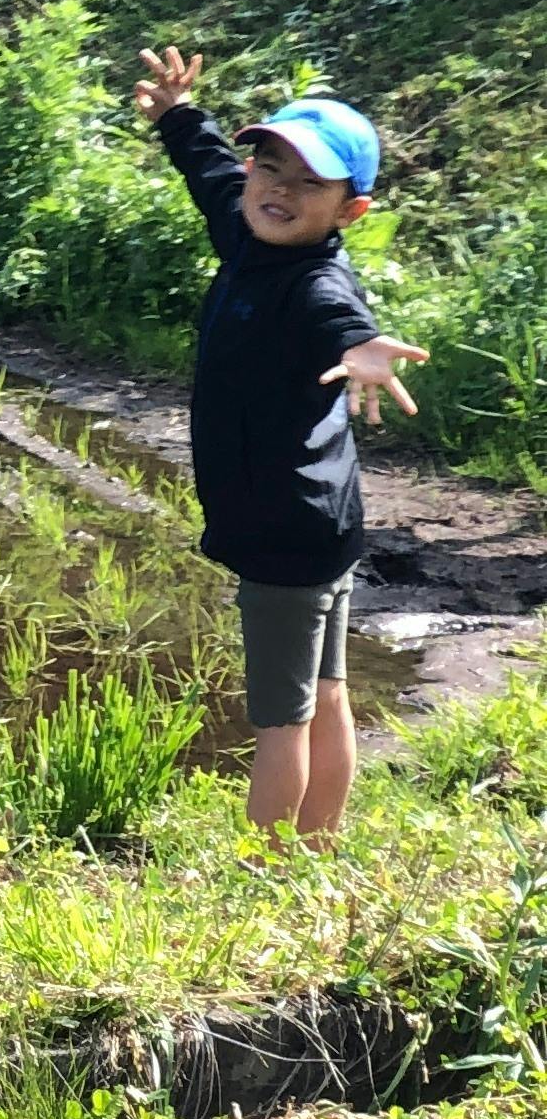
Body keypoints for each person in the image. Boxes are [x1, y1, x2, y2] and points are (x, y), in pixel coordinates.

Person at [131, 47, 425, 839]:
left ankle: (266, 873)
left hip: (283, 531)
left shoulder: (314, 284)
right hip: (320, 521)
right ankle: (319, 842)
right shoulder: (248, 230)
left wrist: (364, 348)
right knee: (325, 691)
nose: (279, 190)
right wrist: (177, 114)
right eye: (271, 168)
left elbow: (343, 322)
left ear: (349, 211)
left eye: (309, 183)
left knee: (280, 720)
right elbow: (210, 171)